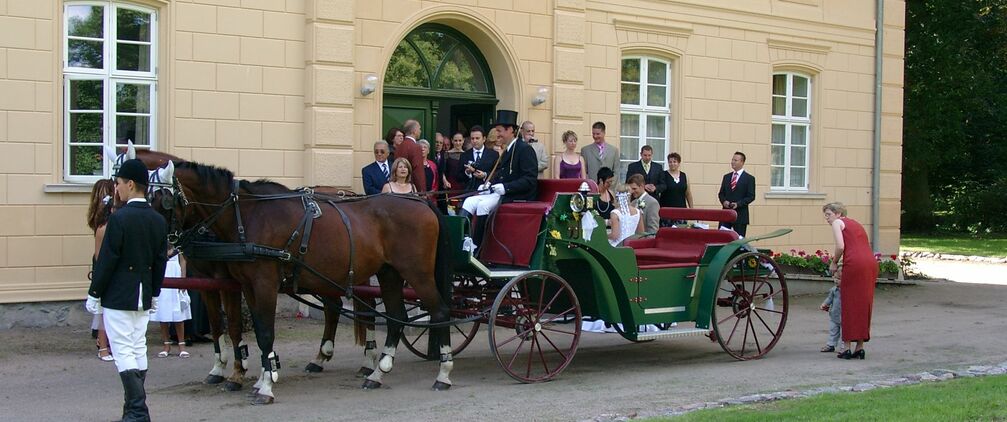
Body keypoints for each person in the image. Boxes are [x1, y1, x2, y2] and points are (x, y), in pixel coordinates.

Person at [86, 158, 168, 422]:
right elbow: (159, 261)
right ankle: (132, 410)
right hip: (143, 295)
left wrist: (94, 292)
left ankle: (136, 412)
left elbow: (107, 260)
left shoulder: (119, 219)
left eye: (119, 183)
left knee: (123, 351)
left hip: (119, 296)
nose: (117, 189)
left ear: (130, 184)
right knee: (137, 347)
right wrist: (154, 293)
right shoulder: (157, 220)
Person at [459, 110, 538, 249]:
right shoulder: (507, 150)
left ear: (511, 130)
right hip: (501, 192)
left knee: (483, 205)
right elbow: (502, 175)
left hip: (515, 195)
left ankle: (477, 248)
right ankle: (463, 243)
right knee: (469, 202)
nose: (497, 135)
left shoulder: (524, 149)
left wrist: (505, 187)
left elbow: (530, 179)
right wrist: (489, 184)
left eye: (500, 131)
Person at [823, 202, 877, 360]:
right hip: (870, 263)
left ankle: (846, 348)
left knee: (848, 303)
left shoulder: (838, 223)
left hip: (854, 263)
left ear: (838, 213)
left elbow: (840, 246)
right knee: (863, 304)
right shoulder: (856, 224)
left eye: (828, 214)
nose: (827, 219)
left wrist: (834, 262)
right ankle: (859, 347)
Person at [86, 179, 117, 362]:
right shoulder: (103, 227)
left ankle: (106, 344)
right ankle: (103, 346)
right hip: (104, 268)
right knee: (103, 309)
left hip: (107, 266)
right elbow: (100, 256)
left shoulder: (102, 223)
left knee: (107, 309)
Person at [151, 251, 191, 358]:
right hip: (161, 272)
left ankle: (182, 346)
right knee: (163, 311)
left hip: (175, 272)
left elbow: (183, 260)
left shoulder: (177, 237)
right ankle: (166, 345)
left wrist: (183, 279)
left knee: (178, 312)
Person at [717, 151, 756, 236]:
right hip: (726, 214)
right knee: (721, 238)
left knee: (738, 241)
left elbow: (751, 196)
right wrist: (724, 201)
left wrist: (738, 204)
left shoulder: (749, 178)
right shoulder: (726, 177)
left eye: (735, 160)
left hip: (740, 215)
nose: (732, 162)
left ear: (742, 162)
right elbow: (721, 193)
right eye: (732, 160)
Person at [456, 125, 499, 192]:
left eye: (477, 138)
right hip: (469, 192)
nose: (474, 141)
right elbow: (458, 177)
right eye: (472, 138)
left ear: (484, 139)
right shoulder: (464, 155)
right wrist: (467, 172)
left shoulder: (493, 154)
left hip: (487, 192)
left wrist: (485, 175)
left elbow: (498, 173)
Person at [655, 152, 693, 227]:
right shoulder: (663, 175)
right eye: (670, 162)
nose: (672, 164)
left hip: (681, 211)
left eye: (674, 162)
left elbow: (688, 193)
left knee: (680, 235)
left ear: (679, 163)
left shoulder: (684, 176)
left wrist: (692, 209)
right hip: (666, 211)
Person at [399, 119, 428, 192]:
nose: (420, 131)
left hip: (399, 187)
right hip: (412, 190)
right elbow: (418, 172)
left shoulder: (399, 146)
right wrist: (422, 191)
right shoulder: (416, 147)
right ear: (414, 131)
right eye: (419, 129)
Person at [820, 283, 843, 353]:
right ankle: (831, 345)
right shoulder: (833, 290)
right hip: (834, 315)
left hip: (844, 316)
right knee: (832, 330)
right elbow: (829, 298)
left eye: (839, 278)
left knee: (844, 333)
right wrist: (824, 304)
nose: (836, 280)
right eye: (835, 278)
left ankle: (843, 347)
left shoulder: (848, 290)